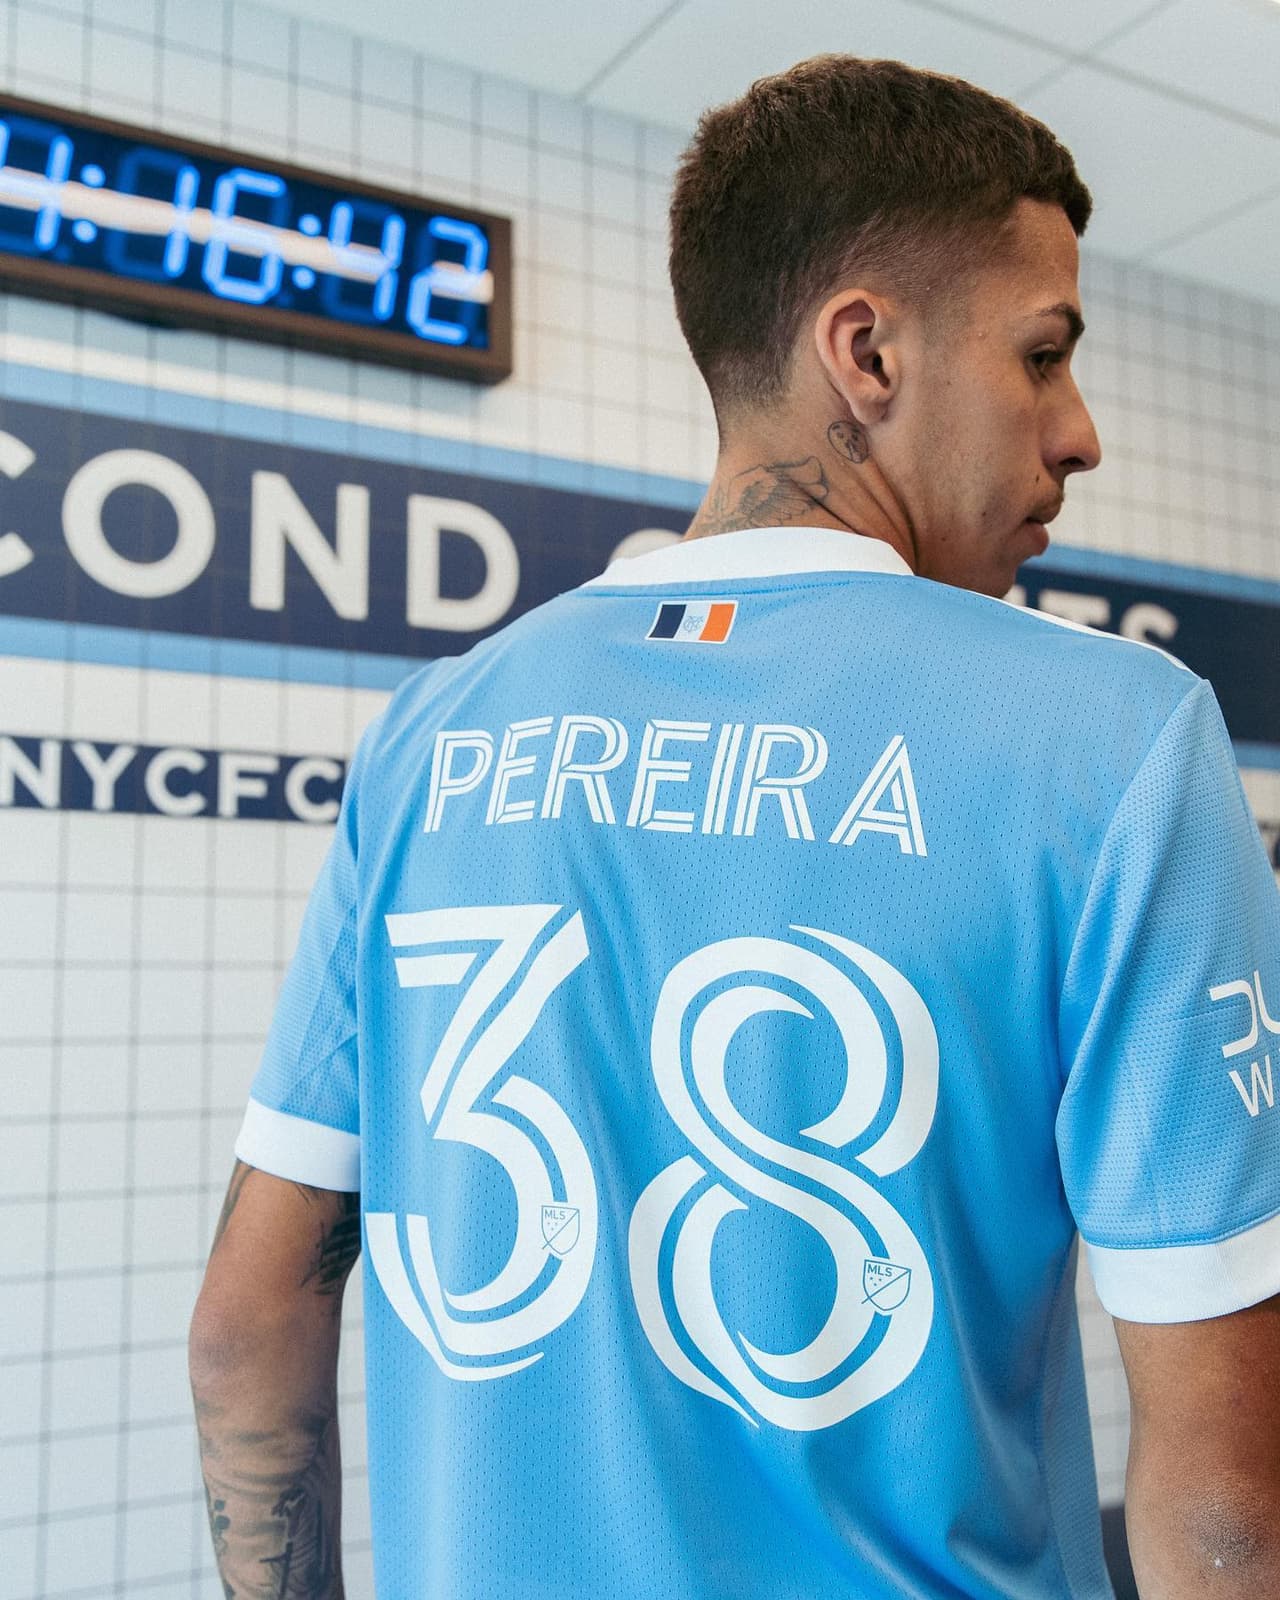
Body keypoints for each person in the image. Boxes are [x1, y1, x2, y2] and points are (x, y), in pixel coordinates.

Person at [189, 54, 1280, 1599]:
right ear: (867, 353)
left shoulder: (439, 730)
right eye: (1044, 355)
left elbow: (245, 1331)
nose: (1080, 430)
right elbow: (1229, 1509)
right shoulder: (1118, 742)